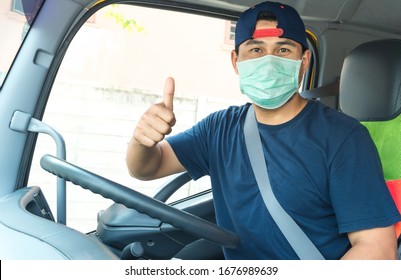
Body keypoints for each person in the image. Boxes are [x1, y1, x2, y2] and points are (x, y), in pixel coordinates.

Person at [126, 1, 401, 259]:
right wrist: (142, 140)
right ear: (236, 62)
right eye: (256, 50)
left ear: (303, 62)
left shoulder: (344, 137)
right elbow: (147, 167)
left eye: (283, 50)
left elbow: (377, 249)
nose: (269, 61)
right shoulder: (219, 128)